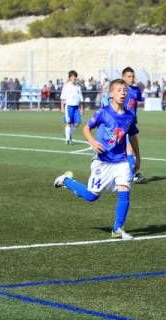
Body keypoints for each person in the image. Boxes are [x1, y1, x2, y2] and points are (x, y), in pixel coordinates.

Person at [53, 79, 139, 240]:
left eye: (124, 90)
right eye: (119, 90)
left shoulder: (129, 116)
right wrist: (92, 141)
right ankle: (66, 180)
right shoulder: (103, 112)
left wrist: (136, 157)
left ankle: (117, 229)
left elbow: (132, 137)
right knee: (91, 196)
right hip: (103, 162)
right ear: (111, 94)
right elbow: (86, 128)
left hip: (121, 162)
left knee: (124, 191)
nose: (123, 93)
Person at [121, 67, 146, 184]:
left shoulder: (136, 90)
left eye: (132, 76)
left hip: (132, 123)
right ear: (123, 77)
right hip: (120, 123)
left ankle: (134, 169)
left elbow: (140, 99)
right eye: (129, 76)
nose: (131, 79)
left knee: (134, 147)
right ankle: (132, 174)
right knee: (127, 149)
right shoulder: (119, 90)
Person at [60, 70, 84, 144]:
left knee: (77, 123)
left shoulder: (78, 87)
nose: (74, 78)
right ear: (70, 78)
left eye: (75, 76)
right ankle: (67, 140)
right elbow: (62, 97)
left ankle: (68, 134)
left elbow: (81, 99)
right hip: (69, 107)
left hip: (76, 107)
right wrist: (62, 107)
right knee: (68, 122)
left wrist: (82, 109)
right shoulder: (66, 86)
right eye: (73, 76)